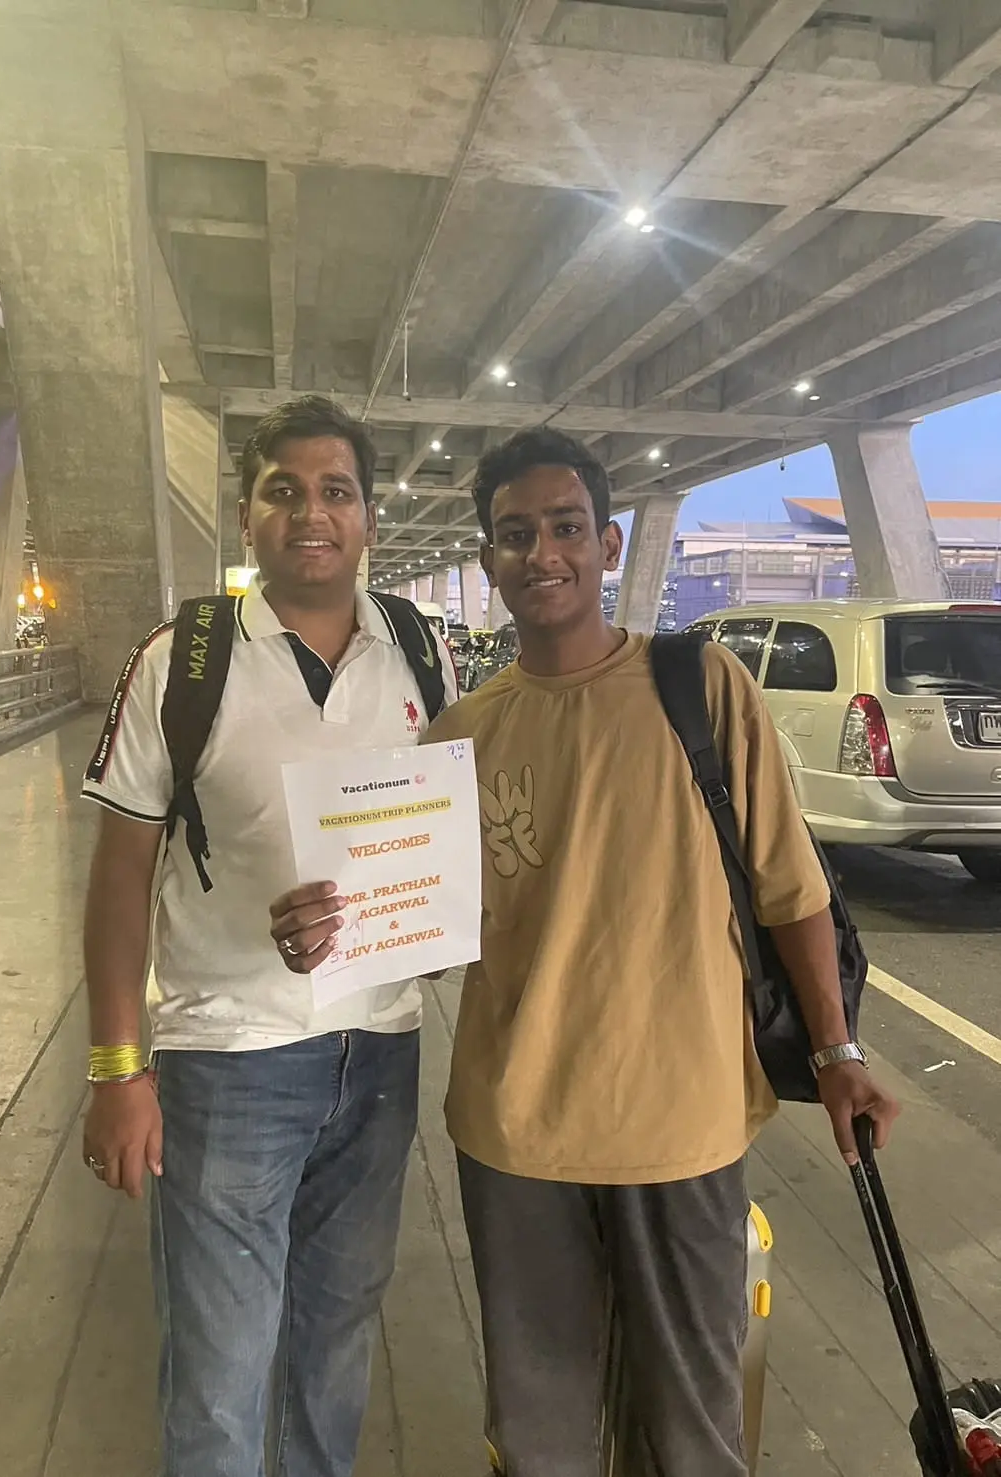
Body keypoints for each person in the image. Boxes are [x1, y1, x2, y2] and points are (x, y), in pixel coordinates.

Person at [280, 426, 900, 1476]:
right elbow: (430, 935)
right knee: (539, 1433)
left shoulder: (700, 690)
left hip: (683, 1124)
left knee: (693, 1425)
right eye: (515, 535)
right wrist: (333, 925)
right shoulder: (459, 737)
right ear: (489, 560)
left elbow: (793, 893)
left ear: (608, 544)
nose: (542, 553)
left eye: (565, 527)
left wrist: (838, 1055)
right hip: (518, 1131)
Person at [80, 394, 457, 1477]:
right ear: (246, 517)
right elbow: (118, 877)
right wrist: (117, 1068)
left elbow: (443, 858)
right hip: (228, 1058)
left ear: (370, 519)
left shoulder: (419, 653)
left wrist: (415, 925)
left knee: (334, 1349)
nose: (311, 513)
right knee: (219, 1368)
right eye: (282, 490)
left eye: (336, 491)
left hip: (382, 1050)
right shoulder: (184, 658)